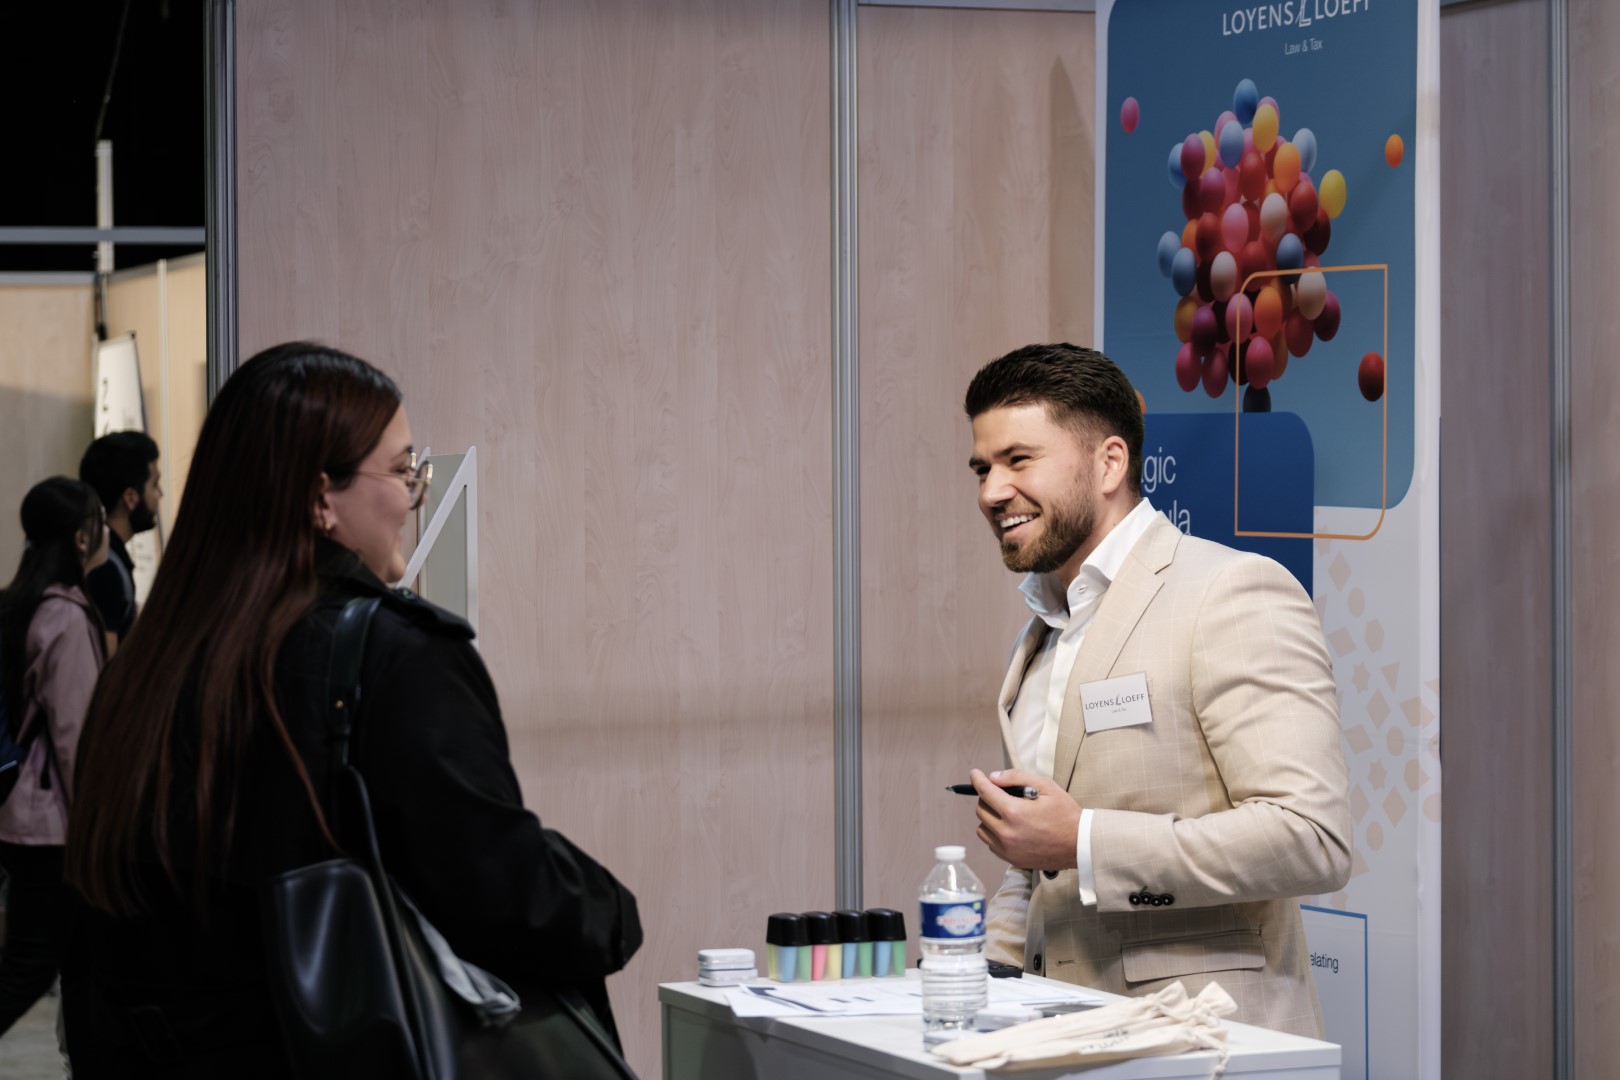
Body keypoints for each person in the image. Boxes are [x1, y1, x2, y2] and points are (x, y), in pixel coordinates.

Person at [63, 343, 642, 1076]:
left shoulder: (141, 672)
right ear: (320, 499)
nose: (413, 497)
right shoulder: (393, 658)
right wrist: (608, 910)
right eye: (402, 471)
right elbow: (502, 894)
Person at [962, 343, 1350, 1038]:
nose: (992, 491)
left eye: (1018, 460)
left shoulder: (1229, 592)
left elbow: (1310, 838)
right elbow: (1036, 870)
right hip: (1059, 1043)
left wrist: (1084, 841)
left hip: (1208, 1045)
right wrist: (982, 987)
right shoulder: (1043, 629)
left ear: (1110, 463)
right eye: (983, 468)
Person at [0, 477, 108, 1034]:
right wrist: (98, 826)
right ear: (81, 538)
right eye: (98, 521)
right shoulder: (64, 616)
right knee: (31, 966)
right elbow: (75, 737)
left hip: (24, 816)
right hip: (54, 828)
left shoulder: (20, 605)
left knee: (77, 962)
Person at [78, 430, 162, 644]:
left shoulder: (100, 558)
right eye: (154, 485)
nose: (160, 494)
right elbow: (107, 661)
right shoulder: (105, 569)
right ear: (130, 498)